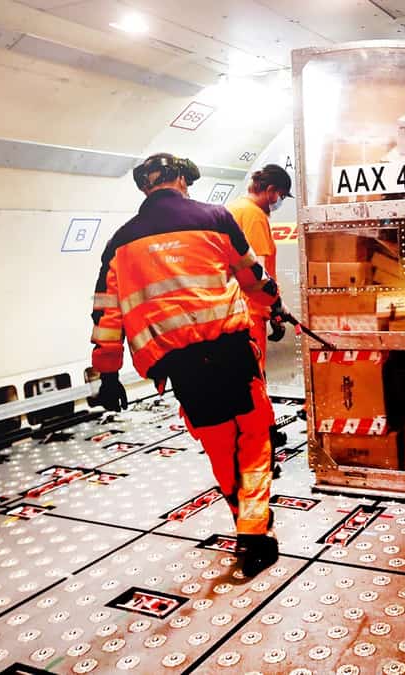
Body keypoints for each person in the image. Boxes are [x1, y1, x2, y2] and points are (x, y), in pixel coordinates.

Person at [89, 152, 285, 577]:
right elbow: (252, 276)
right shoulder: (215, 218)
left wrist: (108, 373)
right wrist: (275, 305)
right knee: (252, 441)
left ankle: (244, 526)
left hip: (182, 367)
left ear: (144, 187)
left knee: (219, 446)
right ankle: (255, 533)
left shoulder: (119, 242)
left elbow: (107, 314)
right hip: (233, 352)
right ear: (182, 181)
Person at [227, 164, 294, 460]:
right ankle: (260, 434)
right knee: (255, 374)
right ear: (270, 190)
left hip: (235, 307)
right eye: (279, 195)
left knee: (243, 374)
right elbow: (258, 271)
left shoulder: (233, 209)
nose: (278, 201)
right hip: (250, 308)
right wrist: (274, 306)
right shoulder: (254, 215)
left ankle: (255, 429)